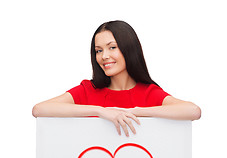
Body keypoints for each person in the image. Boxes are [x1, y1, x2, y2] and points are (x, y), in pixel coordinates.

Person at [32, 20, 201, 137]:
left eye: (112, 47)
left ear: (129, 49)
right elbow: (39, 109)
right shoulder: (88, 90)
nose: (104, 56)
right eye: (98, 50)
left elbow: (193, 111)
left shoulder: (148, 93)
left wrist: (135, 112)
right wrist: (99, 111)